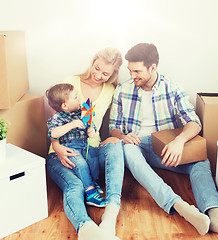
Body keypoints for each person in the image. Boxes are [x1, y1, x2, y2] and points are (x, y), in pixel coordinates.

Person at [109, 43, 218, 240]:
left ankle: (217, 215)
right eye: (129, 70)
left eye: (137, 71)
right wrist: (123, 136)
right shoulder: (123, 90)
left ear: (153, 67)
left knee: (200, 161)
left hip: (166, 147)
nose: (132, 75)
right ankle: (179, 205)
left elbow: (194, 122)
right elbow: (113, 127)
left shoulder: (171, 88)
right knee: (127, 150)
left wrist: (179, 141)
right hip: (137, 146)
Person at [46, 47, 124, 240]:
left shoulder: (110, 89)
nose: (98, 75)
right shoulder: (70, 82)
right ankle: (86, 229)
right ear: (93, 60)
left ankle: (111, 213)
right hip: (63, 151)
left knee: (115, 146)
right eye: (96, 68)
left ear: (113, 74)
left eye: (105, 73)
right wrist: (56, 146)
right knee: (74, 187)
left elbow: (107, 123)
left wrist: (112, 135)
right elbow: (54, 123)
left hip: (91, 150)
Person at [46, 83, 105, 207]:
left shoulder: (81, 112)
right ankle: (90, 191)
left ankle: (92, 182)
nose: (79, 99)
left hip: (84, 145)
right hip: (70, 147)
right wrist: (72, 124)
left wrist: (91, 130)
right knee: (81, 165)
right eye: (75, 98)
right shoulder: (57, 118)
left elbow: (90, 124)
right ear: (64, 105)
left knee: (93, 160)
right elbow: (53, 133)